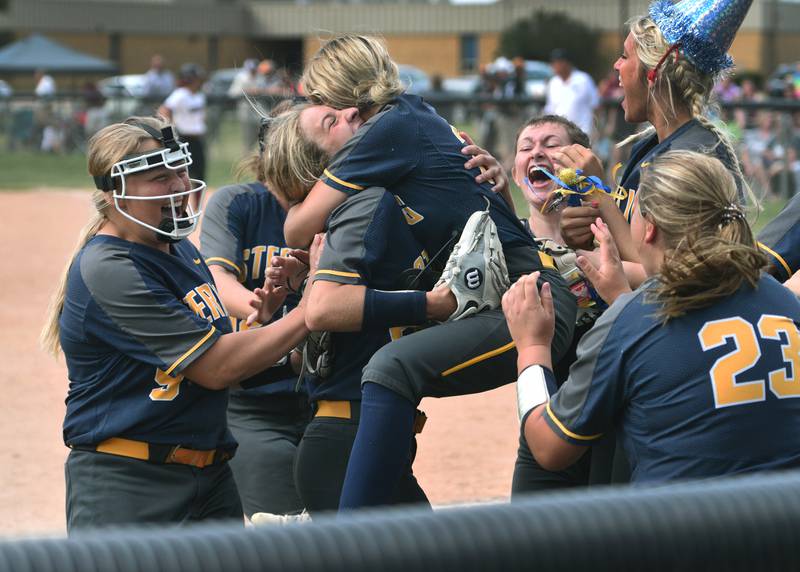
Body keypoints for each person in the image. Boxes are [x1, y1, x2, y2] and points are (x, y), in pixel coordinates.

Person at [262, 34, 577, 511]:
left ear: (347, 94)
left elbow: (295, 225)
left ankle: (344, 534)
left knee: (392, 366)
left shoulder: (388, 129)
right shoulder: (412, 115)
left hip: (528, 302)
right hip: (516, 295)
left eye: (326, 101)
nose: (334, 112)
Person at [40, 116, 310, 532]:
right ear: (118, 194)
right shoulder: (111, 266)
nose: (180, 186)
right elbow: (216, 367)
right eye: (159, 177)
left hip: (211, 474)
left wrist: (273, 334)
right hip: (130, 482)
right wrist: (313, 309)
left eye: (181, 170)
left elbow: (218, 365)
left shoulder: (180, 250)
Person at [505, 150, 800, 483]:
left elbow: (548, 448)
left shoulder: (634, 319)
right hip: (784, 521)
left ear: (650, 229)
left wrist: (532, 348)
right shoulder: (786, 303)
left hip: (686, 528)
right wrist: (622, 302)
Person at [558, 0, 754, 256]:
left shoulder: (692, 157)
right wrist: (589, 232)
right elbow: (631, 244)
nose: (617, 66)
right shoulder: (650, 145)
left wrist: (598, 192)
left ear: (655, 72)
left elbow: (662, 271)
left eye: (625, 56)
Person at [199, 116, 310, 520]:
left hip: (327, 397)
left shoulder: (339, 206)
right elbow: (216, 276)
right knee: (280, 529)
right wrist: (257, 309)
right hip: (253, 402)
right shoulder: (239, 203)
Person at [508, 115, 603, 494]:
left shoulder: (612, 237)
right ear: (516, 174)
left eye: (550, 144)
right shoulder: (506, 246)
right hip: (548, 417)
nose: (537, 153)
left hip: (617, 421)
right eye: (526, 147)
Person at [159, 63, 207, 182]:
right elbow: (163, 110)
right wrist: (172, 127)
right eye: (196, 78)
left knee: (200, 173)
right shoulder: (180, 94)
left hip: (197, 139)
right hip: (184, 138)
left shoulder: (199, 95)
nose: (198, 81)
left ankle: (198, 201)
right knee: (186, 172)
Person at [543, 49, 599, 138]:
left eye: (558, 62)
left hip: (582, 133)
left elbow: (595, 105)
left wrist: (596, 129)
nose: (554, 66)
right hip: (560, 134)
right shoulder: (553, 82)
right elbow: (550, 109)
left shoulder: (583, 79)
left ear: (566, 63)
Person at [228, 59, 264, 152]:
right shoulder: (241, 78)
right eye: (251, 69)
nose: (253, 71)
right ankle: (246, 156)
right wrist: (247, 91)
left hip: (259, 111)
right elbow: (233, 93)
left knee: (262, 134)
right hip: (245, 111)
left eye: (254, 69)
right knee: (248, 137)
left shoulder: (260, 77)